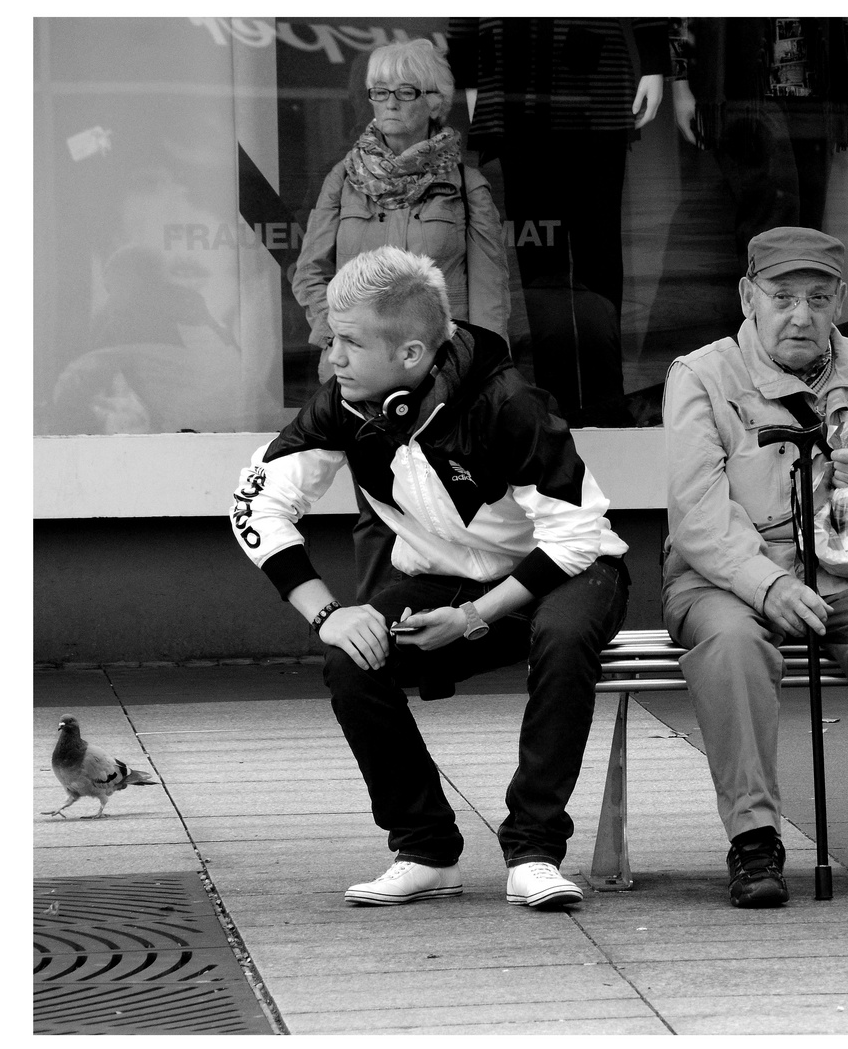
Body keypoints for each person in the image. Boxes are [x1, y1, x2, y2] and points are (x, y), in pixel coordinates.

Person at [232, 246, 629, 909]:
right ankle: (425, 850)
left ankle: (533, 850)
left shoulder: (508, 402)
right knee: (351, 660)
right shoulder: (343, 404)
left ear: (412, 354)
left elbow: (576, 535)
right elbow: (256, 502)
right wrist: (330, 613)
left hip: (568, 574)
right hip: (440, 578)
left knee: (561, 641)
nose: (331, 358)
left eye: (349, 344)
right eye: (333, 341)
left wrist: (476, 618)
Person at [661, 226, 848, 908]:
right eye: (782, 296)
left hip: (846, 570)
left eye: (818, 298)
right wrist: (770, 584)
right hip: (724, 574)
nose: (801, 314)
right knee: (733, 646)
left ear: (840, 301)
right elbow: (696, 515)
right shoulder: (700, 376)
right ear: (748, 296)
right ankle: (754, 838)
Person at [293, 38, 510, 603]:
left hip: (442, 380)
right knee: (376, 512)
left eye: (404, 91)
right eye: (378, 91)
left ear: (435, 101)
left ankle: (444, 636)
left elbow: (489, 295)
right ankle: (370, 642)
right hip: (364, 381)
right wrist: (339, 336)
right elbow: (309, 273)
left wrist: (479, 373)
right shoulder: (343, 179)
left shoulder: (466, 185)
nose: (387, 104)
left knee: (445, 509)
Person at [446, 18, 668, 427]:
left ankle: (605, 401)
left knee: (598, 258)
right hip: (515, 88)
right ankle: (554, 401)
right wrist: (473, 81)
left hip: (592, 83)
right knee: (539, 263)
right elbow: (465, 11)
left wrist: (653, 57)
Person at [669, 18, 848, 260]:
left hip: (815, 75)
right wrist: (680, 80)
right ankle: (769, 295)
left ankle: (798, 296)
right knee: (768, 221)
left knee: (809, 224)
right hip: (741, 80)